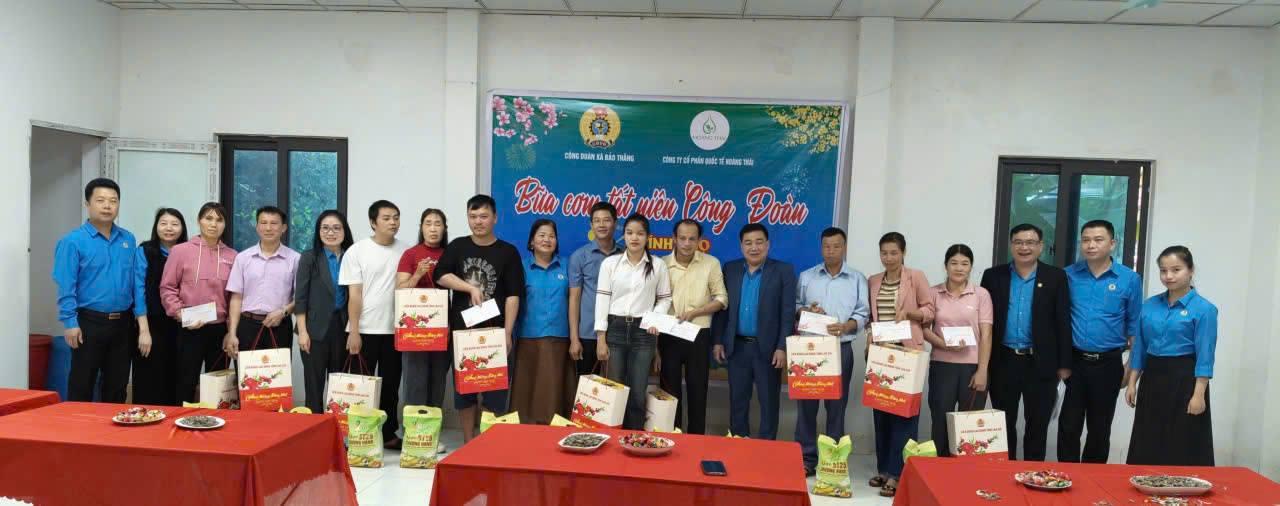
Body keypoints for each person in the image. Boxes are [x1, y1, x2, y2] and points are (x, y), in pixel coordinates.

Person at [433, 194, 525, 443]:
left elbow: (513, 295)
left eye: (483, 216)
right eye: (473, 216)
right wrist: (469, 288)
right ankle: (468, 442)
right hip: (463, 333)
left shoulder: (508, 252)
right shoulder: (458, 246)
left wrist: (508, 332)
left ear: (495, 218)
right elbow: (440, 275)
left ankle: (488, 444)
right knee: (465, 392)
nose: (478, 221)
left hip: (495, 333)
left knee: (495, 392)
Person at [980, 223, 1072, 462]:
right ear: (1011, 245)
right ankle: (1006, 470)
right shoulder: (993, 276)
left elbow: (1063, 321)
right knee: (1003, 423)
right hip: (1003, 360)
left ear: (1041, 246)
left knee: (1037, 424)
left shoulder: (1056, 277)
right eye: (1019, 242)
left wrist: (1064, 364)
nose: (1024, 247)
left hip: (1040, 362)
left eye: (1030, 242)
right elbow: (983, 321)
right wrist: (982, 364)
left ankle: (1032, 473)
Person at [52, 178, 149, 403]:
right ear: (88, 204)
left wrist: (141, 324)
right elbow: (66, 285)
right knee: (82, 383)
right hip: (88, 323)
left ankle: (111, 427)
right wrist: (70, 322)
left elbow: (135, 284)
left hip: (123, 324)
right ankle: (78, 425)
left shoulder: (127, 239)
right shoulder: (72, 241)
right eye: (101, 200)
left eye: (113, 201)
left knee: (117, 386)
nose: (107, 206)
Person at [1126, 246, 1217, 466]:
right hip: (1153, 377)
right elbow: (1140, 347)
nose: (1169, 276)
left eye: (1176, 270)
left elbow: (1205, 355)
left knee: (1182, 437)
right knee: (1149, 434)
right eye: (1163, 270)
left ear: (1191, 270)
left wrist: (1199, 395)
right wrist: (1132, 383)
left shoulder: (1204, 309)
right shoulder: (1149, 305)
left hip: (1185, 378)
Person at [1059, 219, 1142, 463]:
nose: (1091, 245)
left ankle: (1092, 479)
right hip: (1075, 362)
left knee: (1100, 427)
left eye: (1098, 240)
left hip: (1109, 364)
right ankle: (1066, 476)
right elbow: (1058, 321)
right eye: (1086, 240)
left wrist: (1131, 368)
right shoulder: (1068, 275)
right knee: (1069, 425)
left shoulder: (1129, 279)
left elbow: (1135, 327)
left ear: (1112, 243)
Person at [794, 227, 869, 476]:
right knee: (806, 405)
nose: (831, 251)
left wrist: (847, 326)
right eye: (826, 246)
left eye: (836, 246)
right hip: (810, 348)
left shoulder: (857, 278)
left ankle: (832, 458)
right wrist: (806, 311)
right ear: (821, 247)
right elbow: (795, 306)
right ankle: (806, 457)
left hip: (840, 348)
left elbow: (863, 312)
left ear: (844, 248)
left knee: (836, 406)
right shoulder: (807, 276)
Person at [712, 223, 796, 440]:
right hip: (737, 347)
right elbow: (722, 309)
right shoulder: (730, 269)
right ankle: (739, 443)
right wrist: (718, 340)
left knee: (769, 402)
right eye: (748, 243)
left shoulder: (783, 271)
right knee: (737, 401)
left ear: (768, 245)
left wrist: (782, 347)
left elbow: (787, 313)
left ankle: (766, 448)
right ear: (741, 246)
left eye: (759, 242)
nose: (754, 247)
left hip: (767, 349)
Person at [866, 232, 934, 498]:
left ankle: (898, 473)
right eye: (884, 253)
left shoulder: (915, 277)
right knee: (881, 413)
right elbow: (872, 318)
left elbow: (930, 311)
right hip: (881, 354)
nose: (889, 258)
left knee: (904, 415)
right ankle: (884, 469)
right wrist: (870, 340)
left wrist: (909, 313)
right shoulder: (873, 280)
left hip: (907, 353)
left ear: (903, 252)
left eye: (894, 252)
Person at [340, 200, 410, 448]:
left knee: (391, 386)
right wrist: (354, 331)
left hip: (395, 331)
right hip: (365, 330)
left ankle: (388, 434)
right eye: (386, 218)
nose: (393, 222)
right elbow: (354, 295)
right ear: (373, 222)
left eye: (396, 217)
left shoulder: (406, 251)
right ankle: (360, 435)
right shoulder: (357, 251)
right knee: (362, 387)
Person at [595, 214, 672, 430]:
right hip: (615, 329)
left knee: (638, 392)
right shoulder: (610, 264)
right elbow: (602, 300)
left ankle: (634, 438)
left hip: (643, 332)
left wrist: (655, 319)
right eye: (629, 233)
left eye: (640, 233)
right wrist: (601, 338)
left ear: (647, 237)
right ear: (624, 236)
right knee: (615, 390)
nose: (634, 238)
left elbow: (665, 299)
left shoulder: (658, 265)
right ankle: (613, 438)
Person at [160, 201, 238, 404]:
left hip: (219, 331)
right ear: (199, 221)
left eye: (219, 220)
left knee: (219, 389)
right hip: (189, 329)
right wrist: (180, 314)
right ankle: (182, 421)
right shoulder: (180, 251)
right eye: (208, 218)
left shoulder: (232, 256)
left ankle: (215, 422)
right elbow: (167, 288)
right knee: (185, 382)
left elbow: (234, 298)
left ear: (225, 224)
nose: (213, 224)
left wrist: (231, 332)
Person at [923, 244, 993, 457]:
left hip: (972, 368)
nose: (959, 268)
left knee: (969, 424)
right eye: (954, 263)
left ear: (971, 266)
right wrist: (943, 344)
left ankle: (965, 469)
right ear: (946, 265)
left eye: (965, 263)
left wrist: (982, 370)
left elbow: (986, 335)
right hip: (942, 365)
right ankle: (940, 467)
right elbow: (923, 329)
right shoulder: (933, 293)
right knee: (940, 420)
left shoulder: (981, 294)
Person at [660, 219, 727, 435]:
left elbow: (722, 299)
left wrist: (696, 312)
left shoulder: (711, 263)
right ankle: (673, 438)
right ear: (674, 239)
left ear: (699, 241)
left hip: (698, 333)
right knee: (670, 393)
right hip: (668, 333)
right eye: (682, 238)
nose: (687, 243)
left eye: (692, 239)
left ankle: (697, 441)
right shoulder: (661, 264)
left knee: (698, 390)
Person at [510, 219, 570, 425]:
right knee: (527, 391)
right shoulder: (521, 267)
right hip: (528, 337)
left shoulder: (567, 266)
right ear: (531, 241)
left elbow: (575, 300)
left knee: (553, 392)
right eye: (542, 235)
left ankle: (552, 432)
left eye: (551, 236)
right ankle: (526, 434)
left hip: (560, 337)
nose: (547, 239)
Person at [294, 210, 354, 414]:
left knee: (339, 385)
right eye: (325, 228)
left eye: (336, 228)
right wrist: (303, 332)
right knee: (314, 384)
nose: (331, 232)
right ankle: (315, 427)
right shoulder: (309, 257)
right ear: (318, 231)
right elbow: (300, 298)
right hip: (314, 329)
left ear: (344, 231)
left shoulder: (351, 257)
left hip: (342, 327)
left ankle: (336, 428)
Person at [130, 208, 188, 406]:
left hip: (181, 325)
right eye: (163, 223)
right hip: (151, 324)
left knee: (177, 378)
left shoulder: (188, 252)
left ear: (182, 228)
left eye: (174, 224)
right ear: (156, 226)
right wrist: (144, 331)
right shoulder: (145, 251)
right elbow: (138, 290)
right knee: (149, 379)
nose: (169, 228)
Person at [224, 206, 300, 355]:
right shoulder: (243, 258)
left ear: (284, 228)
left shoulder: (295, 259)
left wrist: (284, 312)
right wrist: (232, 333)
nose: (268, 228)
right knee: (246, 370)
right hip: (247, 326)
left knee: (278, 370)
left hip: (280, 326)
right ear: (257, 227)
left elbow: (300, 298)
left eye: (274, 223)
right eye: (263, 223)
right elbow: (236, 298)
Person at [397, 209, 451, 412]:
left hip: (442, 327)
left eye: (438, 224)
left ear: (444, 228)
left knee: (438, 380)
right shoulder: (411, 254)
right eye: (428, 223)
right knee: (415, 380)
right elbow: (400, 290)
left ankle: (432, 426)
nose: (433, 228)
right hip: (415, 328)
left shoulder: (450, 253)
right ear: (421, 227)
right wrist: (417, 274)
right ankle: (413, 427)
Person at [567, 202, 621, 400]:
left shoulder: (625, 255)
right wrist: (574, 338)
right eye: (597, 221)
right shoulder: (579, 256)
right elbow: (574, 299)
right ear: (591, 225)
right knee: (588, 396)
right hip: (587, 334)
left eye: (607, 220)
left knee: (615, 392)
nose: (602, 225)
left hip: (618, 334)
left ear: (615, 223)